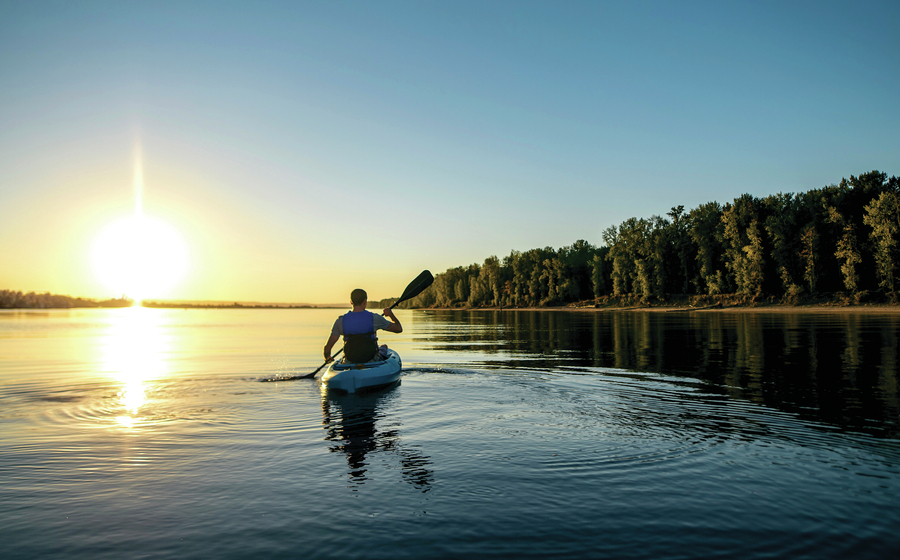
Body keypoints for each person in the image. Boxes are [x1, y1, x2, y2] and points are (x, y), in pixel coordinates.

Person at [324, 288, 402, 364]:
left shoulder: (340, 321)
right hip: (372, 360)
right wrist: (390, 314)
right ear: (365, 301)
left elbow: (327, 349)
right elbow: (398, 329)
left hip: (349, 361)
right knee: (384, 346)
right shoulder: (374, 318)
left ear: (351, 302)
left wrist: (327, 357)